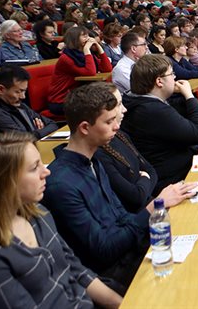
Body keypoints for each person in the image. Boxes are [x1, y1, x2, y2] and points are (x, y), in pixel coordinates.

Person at [0, 132, 123, 308]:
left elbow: (76, 271)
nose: (46, 171)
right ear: (2, 182)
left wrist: (123, 304)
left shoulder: (38, 213)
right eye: (34, 168)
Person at [43, 83, 154, 292]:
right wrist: (152, 210)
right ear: (85, 127)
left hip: (129, 255)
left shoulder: (94, 161)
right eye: (109, 121)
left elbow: (121, 217)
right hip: (111, 275)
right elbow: (104, 250)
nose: (117, 126)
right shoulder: (61, 185)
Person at [95, 84, 197, 213]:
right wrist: (144, 178)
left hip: (152, 204)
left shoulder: (120, 136)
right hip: (143, 215)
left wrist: (143, 179)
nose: (124, 109)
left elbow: (151, 170)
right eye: (119, 104)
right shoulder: (100, 154)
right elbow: (136, 197)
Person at [122, 54, 198, 194]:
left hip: (173, 168)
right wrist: (189, 96)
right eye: (171, 74)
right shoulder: (151, 110)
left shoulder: (138, 100)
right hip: (173, 179)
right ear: (159, 81)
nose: (174, 78)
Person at [47, 25, 113, 115]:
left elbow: (107, 69)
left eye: (88, 35)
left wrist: (98, 47)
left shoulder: (86, 54)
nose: (88, 38)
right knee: (99, 107)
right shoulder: (65, 57)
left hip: (78, 96)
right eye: (84, 36)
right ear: (75, 39)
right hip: (61, 100)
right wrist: (86, 49)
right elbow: (90, 72)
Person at [0, 65, 59, 139]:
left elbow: (52, 124)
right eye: (18, 92)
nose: (23, 96)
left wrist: (36, 133)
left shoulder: (18, 104)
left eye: (24, 91)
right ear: (1, 89)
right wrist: (39, 132)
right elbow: (22, 139)